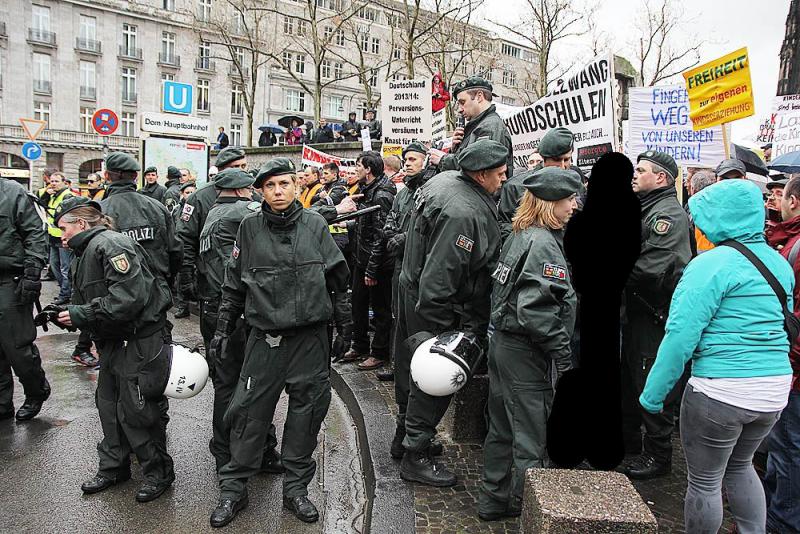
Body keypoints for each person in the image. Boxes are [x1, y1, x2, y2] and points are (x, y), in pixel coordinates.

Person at [640, 179, 793, 534]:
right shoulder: (778, 262)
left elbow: (680, 337)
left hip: (720, 390)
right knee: (740, 466)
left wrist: (652, 395)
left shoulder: (709, 266)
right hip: (773, 390)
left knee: (705, 482)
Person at [208, 158, 349, 527]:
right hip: (264, 339)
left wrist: (345, 326)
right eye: (270, 186)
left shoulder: (316, 225)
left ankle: (296, 490)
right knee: (247, 414)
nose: (278, 191)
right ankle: (233, 489)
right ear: (261, 191)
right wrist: (223, 329)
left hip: (310, 340)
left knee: (307, 415)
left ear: (297, 186)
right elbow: (233, 285)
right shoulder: (249, 229)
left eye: (284, 184)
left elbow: (337, 279)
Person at [395, 139, 506, 485]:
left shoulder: (443, 183)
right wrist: (441, 330)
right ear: (481, 173)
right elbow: (442, 273)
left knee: (410, 371)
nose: (504, 180)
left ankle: (406, 436)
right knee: (435, 375)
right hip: (437, 304)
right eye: (500, 174)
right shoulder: (463, 212)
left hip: (413, 290)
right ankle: (416, 453)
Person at [55, 197, 175, 503]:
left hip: (139, 340)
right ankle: (113, 468)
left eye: (63, 227)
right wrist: (70, 313)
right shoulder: (88, 250)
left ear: (81, 223)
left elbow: (129, 298)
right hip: (114, 341)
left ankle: (158, 473)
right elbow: (98, 297)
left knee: (137, 410)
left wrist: (84, 314)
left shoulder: (111, 245)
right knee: (108, 405)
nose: (61, 235)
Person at [479, 166, 581, 521]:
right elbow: (535, 312)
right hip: (524, 351)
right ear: (550, 203)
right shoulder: (542, 245)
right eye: (569, 199)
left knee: (502, 428)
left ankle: (494, 499)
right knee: (530, 436)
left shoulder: (523, 235)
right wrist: (563, 354)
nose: (575, 205)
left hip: (505, 345)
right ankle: (528, 510)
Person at [197, 168, 282, 475]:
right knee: (251, 385)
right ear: (245, 190)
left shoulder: (213, 213)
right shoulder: (240, 211)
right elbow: (280, 212)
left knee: (226, 384)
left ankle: (226, 451)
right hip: (235, 312)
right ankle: (257, 452)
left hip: (213, 308)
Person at [622, 150, 692, 480]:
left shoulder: (667, 215)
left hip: (653, 314)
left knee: (652, 380)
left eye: (641, 170)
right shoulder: (647, 207)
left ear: (661, 178)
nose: (634, 174)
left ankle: (658, 453)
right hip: (637, 311)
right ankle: (631, 441)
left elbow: (654, 266)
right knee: (633, 376)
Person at [177, 147, 246, 352]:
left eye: (243, 166)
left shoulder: (250, 195)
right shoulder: (199, 198)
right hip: (211, 284)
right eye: (235, 167)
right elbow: (186, 240)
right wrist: (187, 278)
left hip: (242, 282)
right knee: (217, 345)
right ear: (221, 169)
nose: (241, 171)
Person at [764, 176, 800, 534]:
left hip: (795, 369)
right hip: (789, 368)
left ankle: (782, 522)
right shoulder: (784, 240)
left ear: (795, 202)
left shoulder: (797, 247)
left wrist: (789, 357)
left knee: (790, 449)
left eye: (781, 195)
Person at [381, 142, 434, 384]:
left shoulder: (431, 191)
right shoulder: (401, 193)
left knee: (413, 320)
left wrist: (404, 239)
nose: (408, 163)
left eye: (414, 159)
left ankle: (416, 371)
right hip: (398, 265)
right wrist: (393, 237)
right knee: (396, 316)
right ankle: (398, 366)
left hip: (417, 267)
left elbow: (426, 231)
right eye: (407, 159)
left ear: (425, 161)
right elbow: (389, 222)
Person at [0, 174, 50, 421]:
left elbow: (34, 234)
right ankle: (2, 403)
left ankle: (36, 391)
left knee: (17, 347)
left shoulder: (11, 192)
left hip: (10, 280)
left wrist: (32, 274)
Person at [341, 151, 396, 371]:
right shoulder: (367, 191)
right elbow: (367, 225)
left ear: (368, 170)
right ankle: (360, 345)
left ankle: (379, 352)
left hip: (377, 264)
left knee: (381, 309)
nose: (355, 171)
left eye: (358, 166)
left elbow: (380, 236)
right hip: (362, 259)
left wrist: (372, 270)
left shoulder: (382, 194)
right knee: (358, 304)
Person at [100, 152, 182, 291]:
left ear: (107, 176)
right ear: (136, 176)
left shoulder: (99, 211)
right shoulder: (157, 207)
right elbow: (175, 250)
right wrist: (166, 281)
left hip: (116, 293)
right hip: (155, 290)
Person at [498, 127, 576, 240]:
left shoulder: (574, 183)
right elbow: (504, 227)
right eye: (557, 160)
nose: (563, 166)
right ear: (544, 159)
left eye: (567, 159)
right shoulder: (516, 186)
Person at [437, 76, 513, 180]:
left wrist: (443, 160)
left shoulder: (489, 127)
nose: (459, 109)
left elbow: (481, 173)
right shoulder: (479, 126)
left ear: (479, 96)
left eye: (462, 102)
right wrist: (455, 149)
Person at [44, 172, 74, 305]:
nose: (53, 183)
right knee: (55, 266)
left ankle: (65, 294)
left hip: (63, 237)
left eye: (56, 181)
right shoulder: (52, 195)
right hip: (53, 237)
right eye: (51, 181)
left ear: (64, 182)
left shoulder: (67, 196)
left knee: (64, 268)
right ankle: (65, 290)